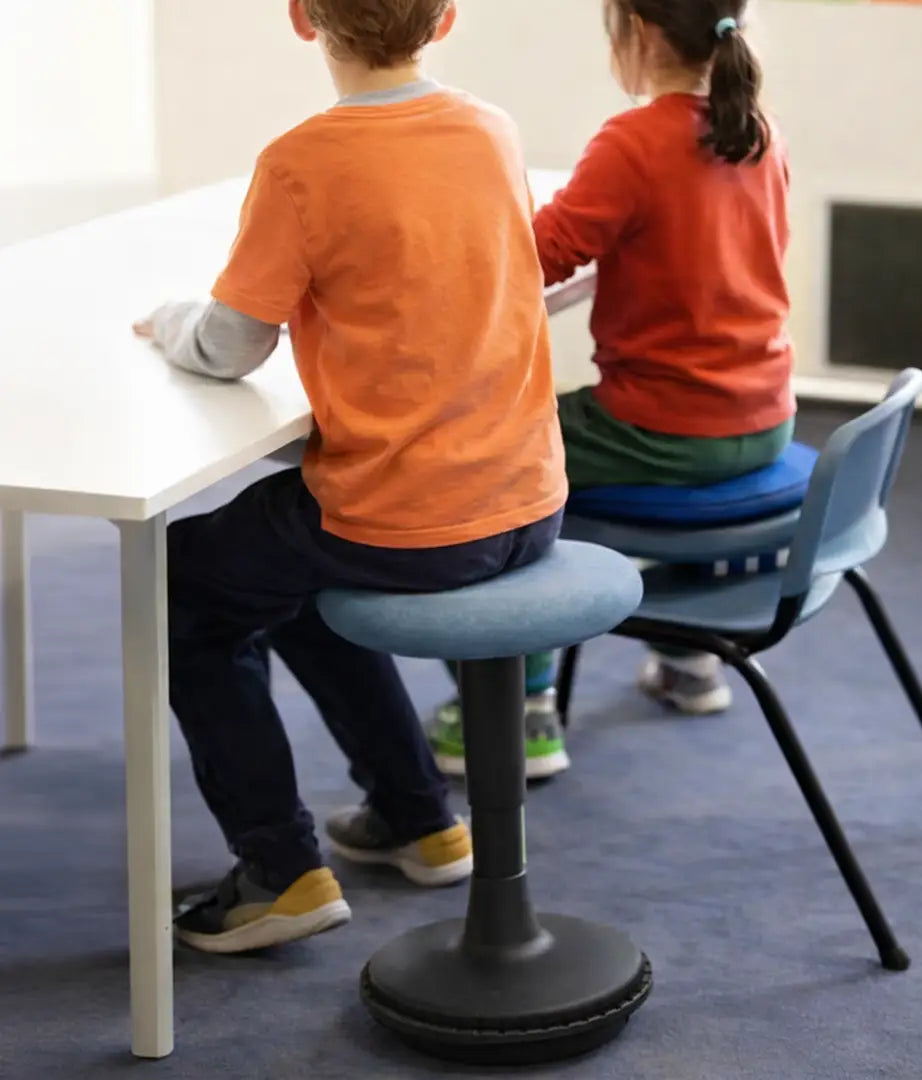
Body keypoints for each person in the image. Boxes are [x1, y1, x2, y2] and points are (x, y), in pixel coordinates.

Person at [134, 0, 567, 954]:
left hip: (410, 519)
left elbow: (231, 343)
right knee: (282, 571)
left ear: (301, 18)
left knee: (181, 584)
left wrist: (170, 320)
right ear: (447, 16)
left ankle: (278, 871)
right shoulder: (492, 129)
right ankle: (419, 813)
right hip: (529, 501)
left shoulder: (302, 162)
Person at [428, 0, 795, 780]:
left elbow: (540, 257)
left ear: (638, 32)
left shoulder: (633, 140)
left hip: (664, 428)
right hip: (763, 417)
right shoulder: (757, 133)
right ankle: (688, 656)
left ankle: (523, 709)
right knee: (567, 434)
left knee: (498, 461)